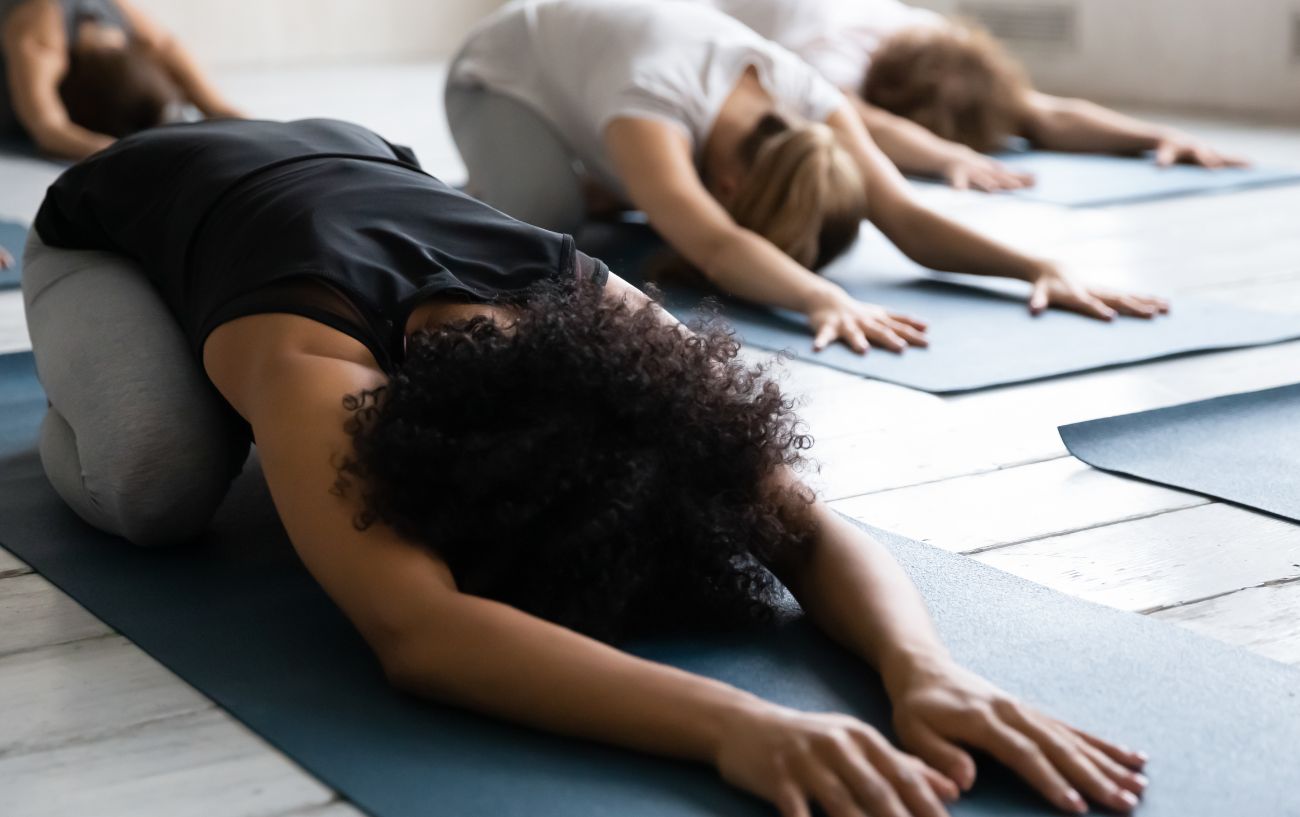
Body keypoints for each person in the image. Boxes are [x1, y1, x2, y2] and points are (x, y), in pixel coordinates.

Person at [26, 117, 1148, 817]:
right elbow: (421, 633)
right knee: (158, 484)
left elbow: (797, 524)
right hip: (113, 207)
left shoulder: (602, 305)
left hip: (356, 148)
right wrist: (734, 725)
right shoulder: (306, 349)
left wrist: (926, 670)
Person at [445, 0, 1168, 356]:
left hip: (594, 89)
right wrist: (822, 296)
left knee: (635, 204)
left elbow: (905, 217)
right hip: (498, 78)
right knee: (542, 223)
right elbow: (721, 246)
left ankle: (607, 185)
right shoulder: (651, 103)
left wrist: (1039, 265)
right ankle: (473, 186)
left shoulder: (810, 99)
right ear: (730, 188)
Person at [698, 0, 1247, 192]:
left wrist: (1157, 135)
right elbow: (861, 123)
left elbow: (1043, 112)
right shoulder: (827, 47)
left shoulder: (919, 31)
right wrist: (948, 157)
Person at [0, 0, 241, 159]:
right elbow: (49, 129)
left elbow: (214, 105)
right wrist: (124, 153)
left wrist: (241, 121)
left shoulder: (134, 29)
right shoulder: (40, 40)